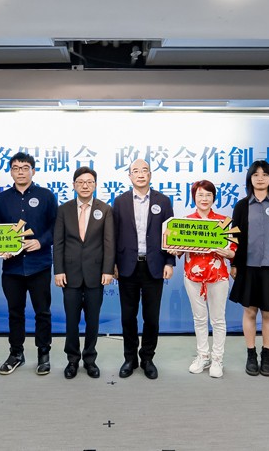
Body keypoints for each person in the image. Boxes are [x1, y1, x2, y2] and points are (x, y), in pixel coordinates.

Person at [0, 152, 57, 375]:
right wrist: (1, 248)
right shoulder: (2, 199)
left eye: (25, 167)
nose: (20, 172)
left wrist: (41, 241)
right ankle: (16, 353)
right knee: (15, 313)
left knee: (42, 312)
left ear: (33, 171)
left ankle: (43, 354)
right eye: (16, 168)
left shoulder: (46, 196)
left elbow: (56, 226)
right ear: (11, 172)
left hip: (39, 265)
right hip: (12, 268)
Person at [229, 161, 269, 377]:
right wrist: (234, 264)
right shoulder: (241, 206)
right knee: (249, 311)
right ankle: (251, 354)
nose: (260, 178)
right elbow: (234, 237)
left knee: (268, 311)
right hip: (247, 267)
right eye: (255, 174)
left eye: (265, 174)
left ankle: (266, 355)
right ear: (250, 178)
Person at [113, 158, 175, 380]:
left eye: (144, 170)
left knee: (152, 317)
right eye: (136, 171)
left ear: (150, 175)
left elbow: (171, 234)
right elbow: (113, 235)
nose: (140, 174)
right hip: (127, 267)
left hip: (154, 266)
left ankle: (147, 358)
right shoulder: (120, 201)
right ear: (129, 176)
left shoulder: (163, 201)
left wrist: (169, 262)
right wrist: (112, 264)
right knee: (128, 317)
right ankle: (130, 358)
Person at [53, 166, 115, 379]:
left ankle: (90, 359)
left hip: (95, 274)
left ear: (95, 185)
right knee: (71, 321)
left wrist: (108, 270)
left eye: (89, 182)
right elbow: (58, 243)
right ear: (74, 185)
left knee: (93, 320)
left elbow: (109, 243)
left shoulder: (105, 209)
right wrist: (58, 270)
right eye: (80, 182)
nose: (85, 186)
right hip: (69, 274)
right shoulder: (64, 209)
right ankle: (72, 360)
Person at [174, 180, 235, 379]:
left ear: (214, 198)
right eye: (200, 195)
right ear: (194, 197)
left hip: (218, 277)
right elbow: (178, 249)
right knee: (199, 319)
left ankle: (218, 358)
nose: (204, 199)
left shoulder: (225, 222)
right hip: (192, 277)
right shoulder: (185, 222)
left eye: (208, 195)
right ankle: (203, 356)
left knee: (218, 319)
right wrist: (175, 248)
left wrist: (226, 252)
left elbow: (234, 252)